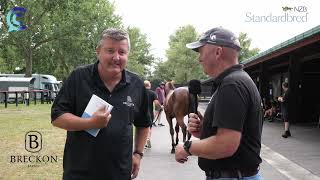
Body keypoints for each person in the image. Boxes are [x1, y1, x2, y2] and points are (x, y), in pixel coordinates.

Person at [51, 28, 150, 180]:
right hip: (80, 172)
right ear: (98, 51)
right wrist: (90, 122)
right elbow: (57, 117)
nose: (116, 57)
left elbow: (143, 123)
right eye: (110, 50)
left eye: (122, 52)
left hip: (120, 172)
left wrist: (138, 154)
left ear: (127, 54)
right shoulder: (79, 77)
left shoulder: (136, 84)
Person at [175, 27, 263, 180]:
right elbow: (237, 137)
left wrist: (187, 147)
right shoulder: (237, 80)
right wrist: (205, 130)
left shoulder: (232, 85)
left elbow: (225, 145)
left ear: (217, 52)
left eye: (201, 51)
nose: (199, 58)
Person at [144, 80, 161, 148]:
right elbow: (156, 103)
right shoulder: (152, 93)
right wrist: (160, 107)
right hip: (149, 113)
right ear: (149, 85)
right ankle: (148, 138)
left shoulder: (140, 92)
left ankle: (144, 142)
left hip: (140, 114)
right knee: (149, 127)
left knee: (141, 128)